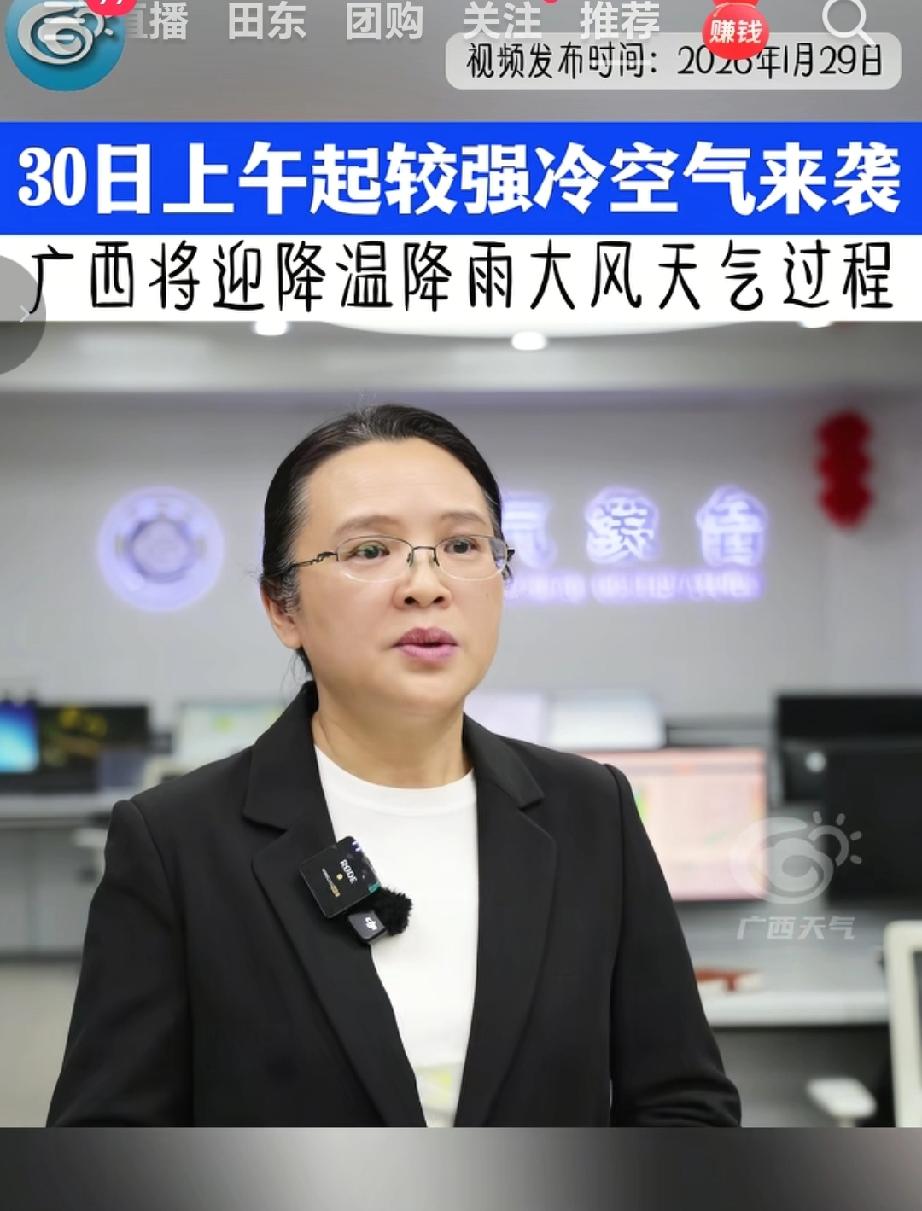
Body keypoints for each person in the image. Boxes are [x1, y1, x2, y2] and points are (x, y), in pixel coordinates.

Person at [47, 403, 742, 1127]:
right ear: (282, 607)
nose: (426, 584)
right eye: (370, 550)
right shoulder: (178, 842)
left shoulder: (589, 810)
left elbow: (683, 1103)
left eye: (463, 545)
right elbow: (107, 1143)